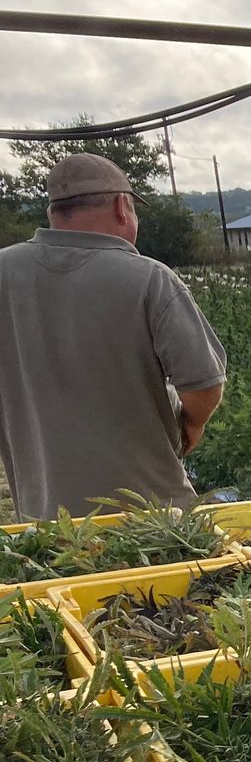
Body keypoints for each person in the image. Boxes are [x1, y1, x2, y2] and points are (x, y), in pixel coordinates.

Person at [0, 154, 226, 521]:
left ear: (53, 212)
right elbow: (203, 384)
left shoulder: (5, 271)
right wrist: (192, 424)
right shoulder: (149, 279)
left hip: (47, 519)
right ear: (123, 206)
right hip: (150, 518)